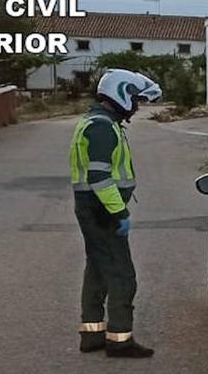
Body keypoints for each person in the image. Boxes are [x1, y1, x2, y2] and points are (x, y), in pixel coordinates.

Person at [69, 69, 162, 358]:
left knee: (97, 269)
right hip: (101, 209)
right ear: (120, 93)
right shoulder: (101, 127)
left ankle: (92, 333)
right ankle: (120, 339)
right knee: (122, 274)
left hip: (92, 208)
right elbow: (100, 178)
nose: (136, 106)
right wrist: (119, 212)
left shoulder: (98, 122)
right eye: (134, 99)